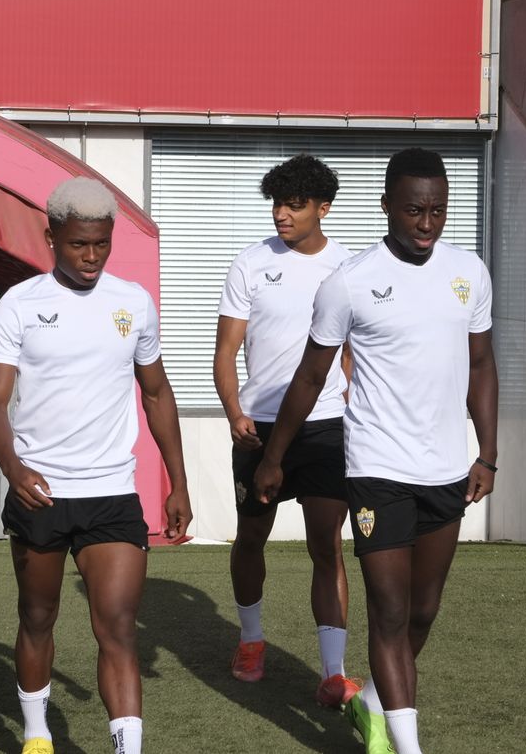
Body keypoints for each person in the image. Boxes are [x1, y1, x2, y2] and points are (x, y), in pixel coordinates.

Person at [254, 148, 497, 754]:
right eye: (414, 209)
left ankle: (370, 701)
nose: (426, 222)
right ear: (387, 205)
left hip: (445, 471)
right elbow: (310, 378)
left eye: (438, 211)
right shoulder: (350, 283)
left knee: (423, 610)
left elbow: (482, 364)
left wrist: (487, 453)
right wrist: (273, 454)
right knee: (388, 613)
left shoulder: (470, 274)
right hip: (375, 470)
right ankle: (405, 746)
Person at [0, 177, 193, 754]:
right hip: (40, 494)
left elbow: (156, 393)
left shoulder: (133, 303)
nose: (92, 257)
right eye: (79, 245)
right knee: (38, 617)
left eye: (102, 244)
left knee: (118, 626)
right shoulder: (18, 305)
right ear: (51, 237)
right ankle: (36, 731)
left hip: (112, 495)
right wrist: (13, 467)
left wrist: (177, 480)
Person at [213, 153, 358, 706]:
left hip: (325, 427)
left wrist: (357, 410)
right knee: (251, 537)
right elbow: (225, 353)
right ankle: (251, 641)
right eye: (276, 203)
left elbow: (352, 356)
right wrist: (233, 412)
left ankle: (333, 670)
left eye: (295, 205)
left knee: (327, 543)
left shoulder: (349, 269)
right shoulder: (249, 264)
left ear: (324, 208)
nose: (281, 214)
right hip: (258, 429)